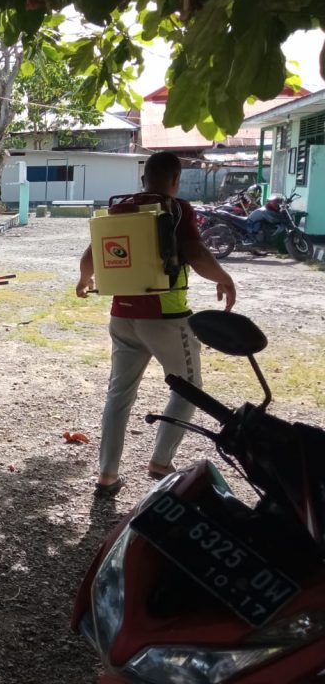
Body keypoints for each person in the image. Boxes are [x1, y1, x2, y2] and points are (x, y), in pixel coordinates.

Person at [76, 151, 236, 497]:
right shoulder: (176, 209)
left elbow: (91, 255)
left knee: (119, 394)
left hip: (122, 315)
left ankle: (107, 475)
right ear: (176, 180)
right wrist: (224, 279)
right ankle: (161, 461)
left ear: (143, 179)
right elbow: (196, 253)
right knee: (189, 388)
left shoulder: (121, 209)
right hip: (166, 317)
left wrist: (84, 280)